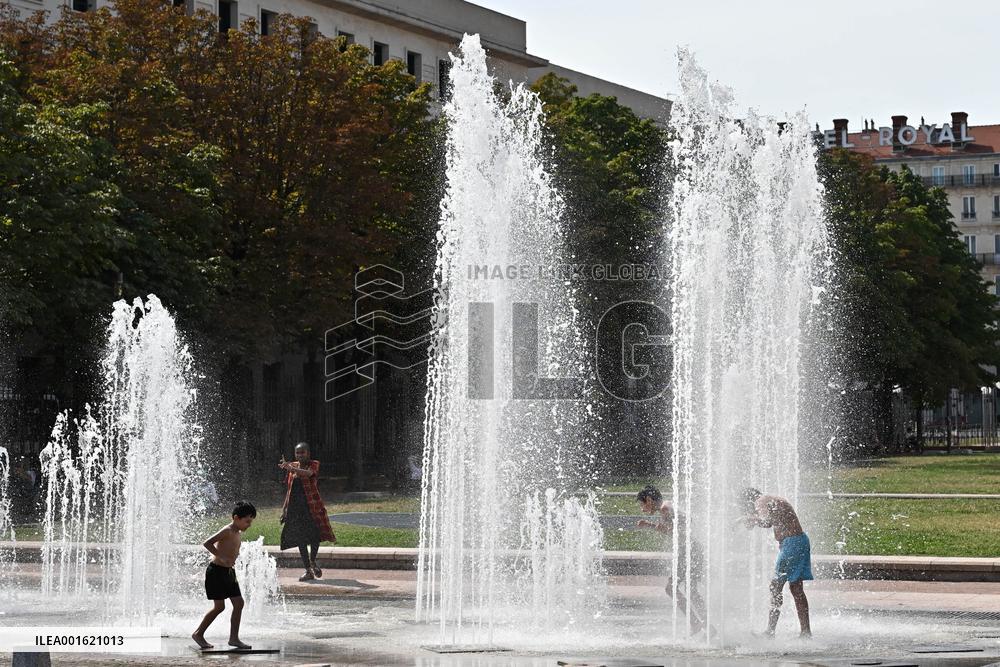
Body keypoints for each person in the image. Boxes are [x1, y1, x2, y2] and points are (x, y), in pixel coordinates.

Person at [636, 485, 710, 636]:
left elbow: (675, 531)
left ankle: (696, 623)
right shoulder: (668, 506)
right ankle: (707, 626)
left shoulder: (665, 509)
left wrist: (649, 525)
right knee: (691, 591)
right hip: (693, 549)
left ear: (649, 500)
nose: (642, 509)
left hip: (688, 550)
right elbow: (684, 524)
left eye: (642, 504)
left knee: (671, 589)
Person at [740, 487, 812, 638]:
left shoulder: (761, 501)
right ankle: (805, 632)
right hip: (797, 542)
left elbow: (766, 521)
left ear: (748, 500)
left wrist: (752, 519)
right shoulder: (770, 499)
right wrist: (754, 520)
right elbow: (769, 522)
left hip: (792, 544)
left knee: (776, 586)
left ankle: (770, 632)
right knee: (796, 589)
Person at [192, 501, 256, 650]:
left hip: (228, 572)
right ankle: (198, 634)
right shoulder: (227, 530)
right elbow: (207, 543)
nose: (249, 525)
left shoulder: (237, 533)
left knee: (239, 603)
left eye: (251, 521)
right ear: (236, 518)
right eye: (247, 521)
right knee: (219, 607)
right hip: (216, 572)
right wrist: (220, 556)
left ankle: (234, 639)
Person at [279, 442, 335, 581]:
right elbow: (289, 490)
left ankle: (313, 561)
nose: (300, 455)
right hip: (296, 509)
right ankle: (308, 570)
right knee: (300, 539)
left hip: (312, 507)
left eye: (302, 452)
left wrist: (291, 468)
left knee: (315, 536)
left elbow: (309, 474)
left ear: (308, 453)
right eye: (297, 453)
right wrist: (284, 509)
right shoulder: (293, 467)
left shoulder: (313, 464)